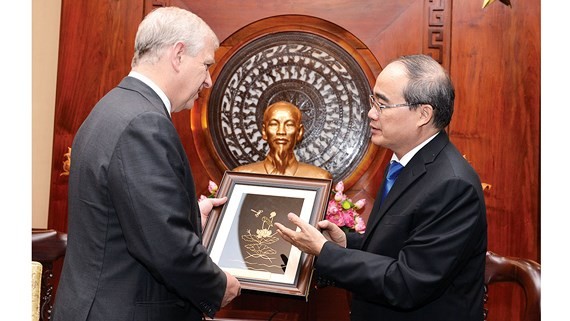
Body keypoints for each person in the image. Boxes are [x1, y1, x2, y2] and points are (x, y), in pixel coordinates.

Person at [52, 7, 241, 321]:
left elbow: (127, 213)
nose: (208, 80)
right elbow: (164, 247)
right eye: (206, 64)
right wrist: (218, 286)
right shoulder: (145, 123)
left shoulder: (110, 106)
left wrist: (193, 215)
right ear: (178, 54)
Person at [275, 54, 487, 321]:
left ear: (423, 114)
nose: (370, 113)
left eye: (382, 105)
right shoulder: (404, 161)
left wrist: (325, 252)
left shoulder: (453, 185)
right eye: (373, 101)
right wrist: (345, 243)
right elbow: (397, 245)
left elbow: (408, 283)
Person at [233, 101, 332, 179]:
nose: (281, 131)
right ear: (264, 131)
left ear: (299, 132)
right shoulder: (240, 176)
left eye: (289, 124)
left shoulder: (319, 178)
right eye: (274, 124)